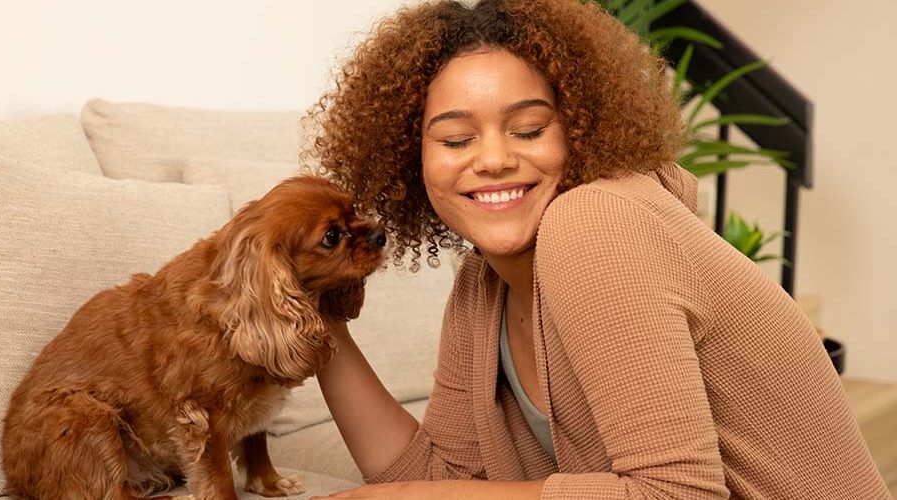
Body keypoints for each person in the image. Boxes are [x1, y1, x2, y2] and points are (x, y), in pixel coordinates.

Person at [305, 1, 889, 498]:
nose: (492, 159)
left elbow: (675, 493)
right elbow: (441, 478)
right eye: (456, 139)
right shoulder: (483, 285)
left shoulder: (599, 226)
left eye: (529, 129)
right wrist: (320, 316)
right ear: (414, 158)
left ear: (579, 131)